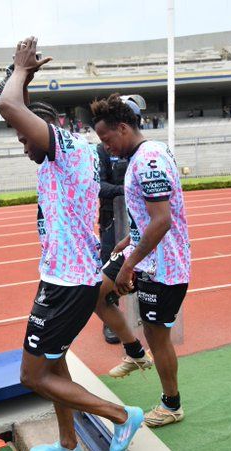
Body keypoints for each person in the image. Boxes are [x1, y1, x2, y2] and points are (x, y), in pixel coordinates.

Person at [0, 36, 143, 451]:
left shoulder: (64, 147)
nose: (25, 149)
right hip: (63, 275)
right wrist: (22, 80)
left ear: (43, 131)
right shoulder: (59, 151)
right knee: (55, 361)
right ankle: (66, 441)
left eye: (26, 140)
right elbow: (14, 107)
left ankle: (121, 416)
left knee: (34, 375)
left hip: (68, 283)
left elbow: (9, 107)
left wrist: (22, 70)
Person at [91, 93, 191, 428]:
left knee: (157, 335)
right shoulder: (141, 155)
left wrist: (129, 264)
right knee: (95, 292)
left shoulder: (148, 160)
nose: (105, 147)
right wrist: (128, 241)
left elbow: (162, 220)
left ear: (122, 127)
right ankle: (134, 355)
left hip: (163, 265)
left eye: (106, 139)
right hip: (143, 253)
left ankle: (172, 404)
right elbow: (147, 216)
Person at [96, 141, 128, 345]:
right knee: (109, 269)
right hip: (110, 220)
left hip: (137, 218)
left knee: (144, 267)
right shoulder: (101, 150)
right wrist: (126, 189)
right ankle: (110, 322)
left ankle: (142, 314)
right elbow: (98, 185)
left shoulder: (139, 149)